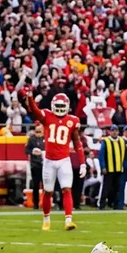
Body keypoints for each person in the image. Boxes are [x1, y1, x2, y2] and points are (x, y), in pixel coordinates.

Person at [25, 91, 85, 231]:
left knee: (66, 189)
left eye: (62, 106)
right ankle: (46, 219)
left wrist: (82, 162)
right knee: (48, 191)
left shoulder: (73, 121)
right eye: (57, 106)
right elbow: (34, 110)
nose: (59, 108)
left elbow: (77, 142)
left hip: (64, 160)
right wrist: (30, 97)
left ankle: (68, 220)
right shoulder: (47, 116)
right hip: (49, 161)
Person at [99, 124, 125, 211]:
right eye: (113, 130)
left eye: (116, 131)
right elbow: (101, 155)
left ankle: (115, 205)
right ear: (110, 132)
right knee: (106, 188)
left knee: (117, 188)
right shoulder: (106, 141)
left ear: (118, 132)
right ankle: (102, 205)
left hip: (119, 169)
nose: (114, 132)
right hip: (109, 169)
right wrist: (103, 166)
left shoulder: (122, 141)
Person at [25, 122, 45, 209]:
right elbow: (26, 150)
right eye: (37, 131)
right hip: (35, 165)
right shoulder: (31, 139)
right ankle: (35, 204)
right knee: (35, 185)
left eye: (40, 131)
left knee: (46, 186)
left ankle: (46, 203)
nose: (38, 133)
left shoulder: (46, 139)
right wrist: (33, 152)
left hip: (45, 165)